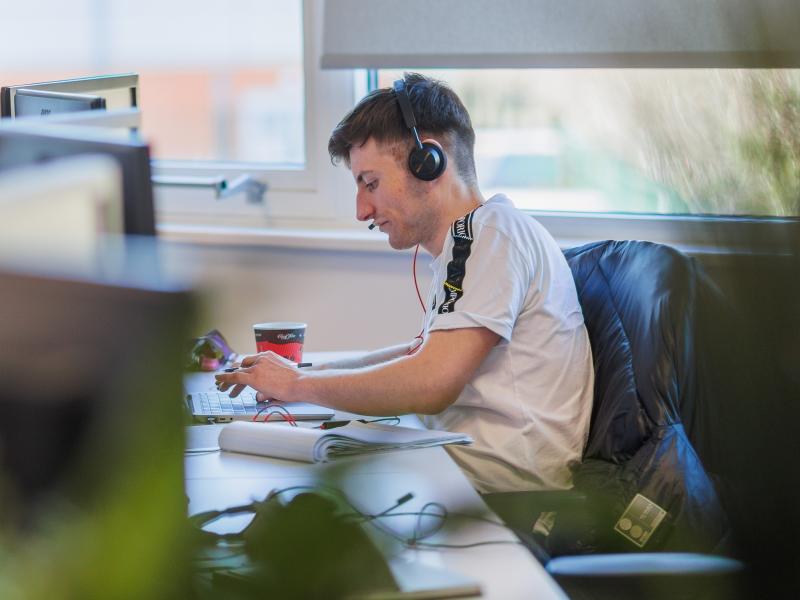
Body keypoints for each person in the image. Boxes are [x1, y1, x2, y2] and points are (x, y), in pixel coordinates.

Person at [216, 73, 594, 494]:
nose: (362, 210)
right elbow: (420, 353)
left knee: (287, 493)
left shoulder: (492, 235)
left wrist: (296, 385)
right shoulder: (470, 243)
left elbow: (431, 382)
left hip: (496, 495)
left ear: (427, 162)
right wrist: (303, 372)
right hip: (456, 469)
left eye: (371, 183)